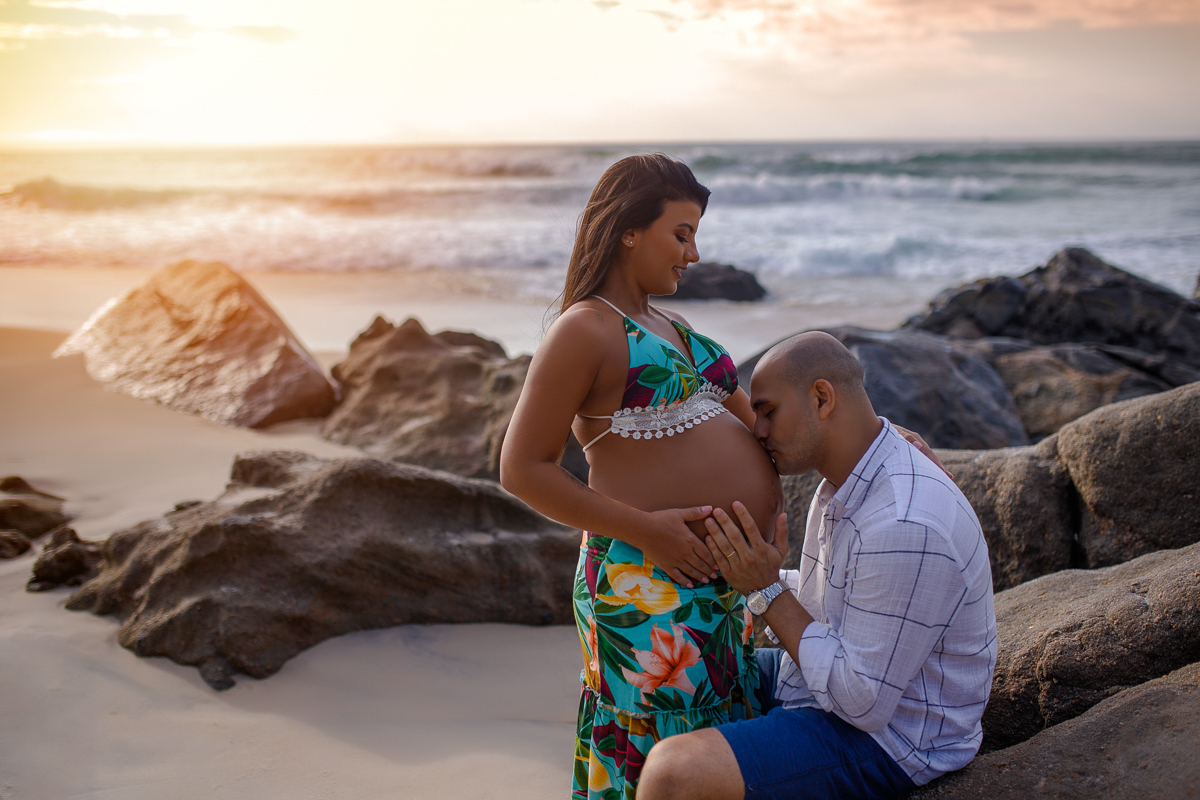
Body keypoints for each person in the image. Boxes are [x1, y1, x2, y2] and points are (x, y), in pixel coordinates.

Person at [499, 154, 784, 800]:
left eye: (695, 235)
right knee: (655, 751)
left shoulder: (674, 326)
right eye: (680, 234)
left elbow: (767, 431)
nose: (694, 252)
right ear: (629, 230)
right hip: (644, 579)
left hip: (718, 585)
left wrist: (879, 437)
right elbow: (521, 468)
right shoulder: (587, 329)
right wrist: (649, 532)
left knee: (707, 751)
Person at [635, 332, 998, 800]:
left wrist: (765, 589)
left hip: (894, 739)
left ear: (822, 398)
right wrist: (747, 573)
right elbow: (839, 597)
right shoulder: (852, 479)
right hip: (831, 683)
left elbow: (860, 702)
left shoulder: (903, 521)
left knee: (672, 774)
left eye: (767, 411)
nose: (757, 429)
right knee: (665, 673)